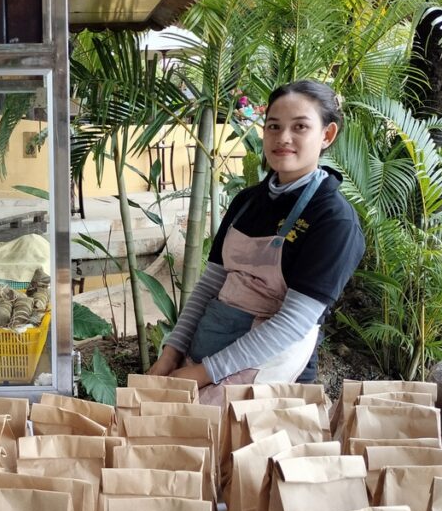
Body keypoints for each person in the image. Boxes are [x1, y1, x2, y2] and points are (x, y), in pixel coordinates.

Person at [147, 80, 365, 405]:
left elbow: (292, 323)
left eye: (300, 127)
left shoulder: (334, 220)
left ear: (327, 135)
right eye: (274, 126)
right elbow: (209, 287)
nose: (283, 138)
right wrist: (171, 354)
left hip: (269, 377)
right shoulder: (247, 201)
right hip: (204, 357)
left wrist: (203, 374)